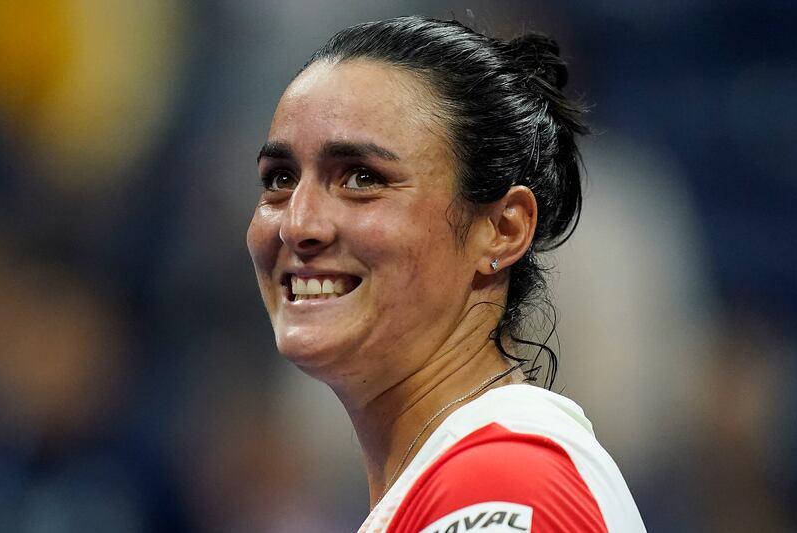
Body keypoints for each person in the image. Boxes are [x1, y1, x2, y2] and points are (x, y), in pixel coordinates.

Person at [247, 15, 646, 533]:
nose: (298, 223)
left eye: (362, 178)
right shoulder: (455, 482)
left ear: (502, 229)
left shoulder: (498, 485)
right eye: (280, 179)